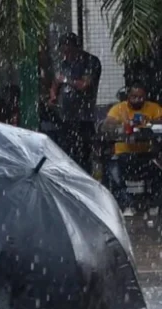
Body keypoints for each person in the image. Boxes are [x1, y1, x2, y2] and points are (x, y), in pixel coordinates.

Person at [102, 81, 162, 215]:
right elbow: (107, 125)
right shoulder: (119, 108)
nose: (137, 100)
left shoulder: (153, 108)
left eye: (141, 97)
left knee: (159, 171)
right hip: (124, 153)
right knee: (111, 171)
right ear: (128, 96)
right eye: (134, 97)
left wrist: (149, 123)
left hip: (147, 154)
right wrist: (121, 123)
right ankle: (126, 205)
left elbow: (160, 121)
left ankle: (154, 204)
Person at [49, 33, 102, 173]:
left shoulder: (90, 62)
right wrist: (53, 95)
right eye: (63, 51)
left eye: (68, 50)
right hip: (66, 118)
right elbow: (56, 81)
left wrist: (66, 80)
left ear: (76, 47)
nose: (66, 54)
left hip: (84, 118)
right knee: (67, 155)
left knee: (83, 156)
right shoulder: (65, 63)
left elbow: (85, 85)